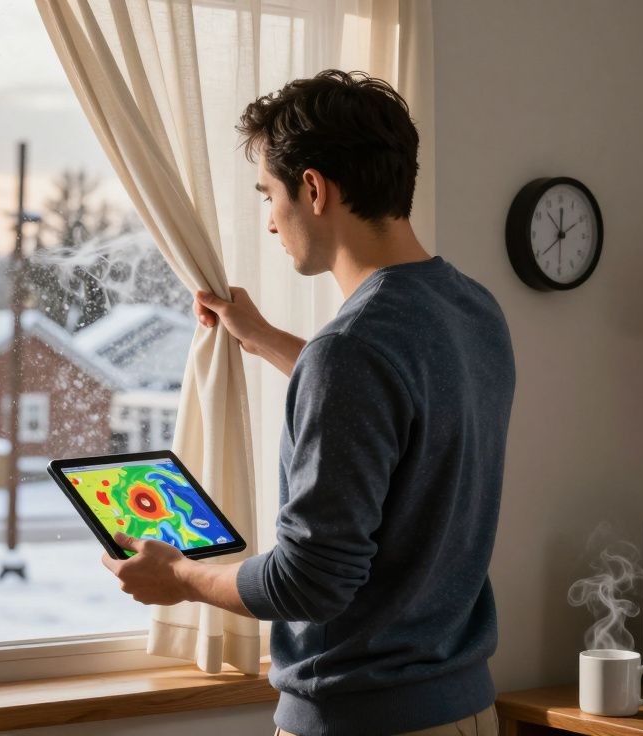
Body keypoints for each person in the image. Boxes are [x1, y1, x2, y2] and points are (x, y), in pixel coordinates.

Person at [99, 69, 515, 736]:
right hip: (467, 707)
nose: (269, 222)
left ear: (314, 189)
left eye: (269, 194)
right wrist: (263, 340)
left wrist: (179, 577)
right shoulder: (473, 311)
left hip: (364, 721)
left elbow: (310, 583)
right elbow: (397, 411)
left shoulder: (350, 353)